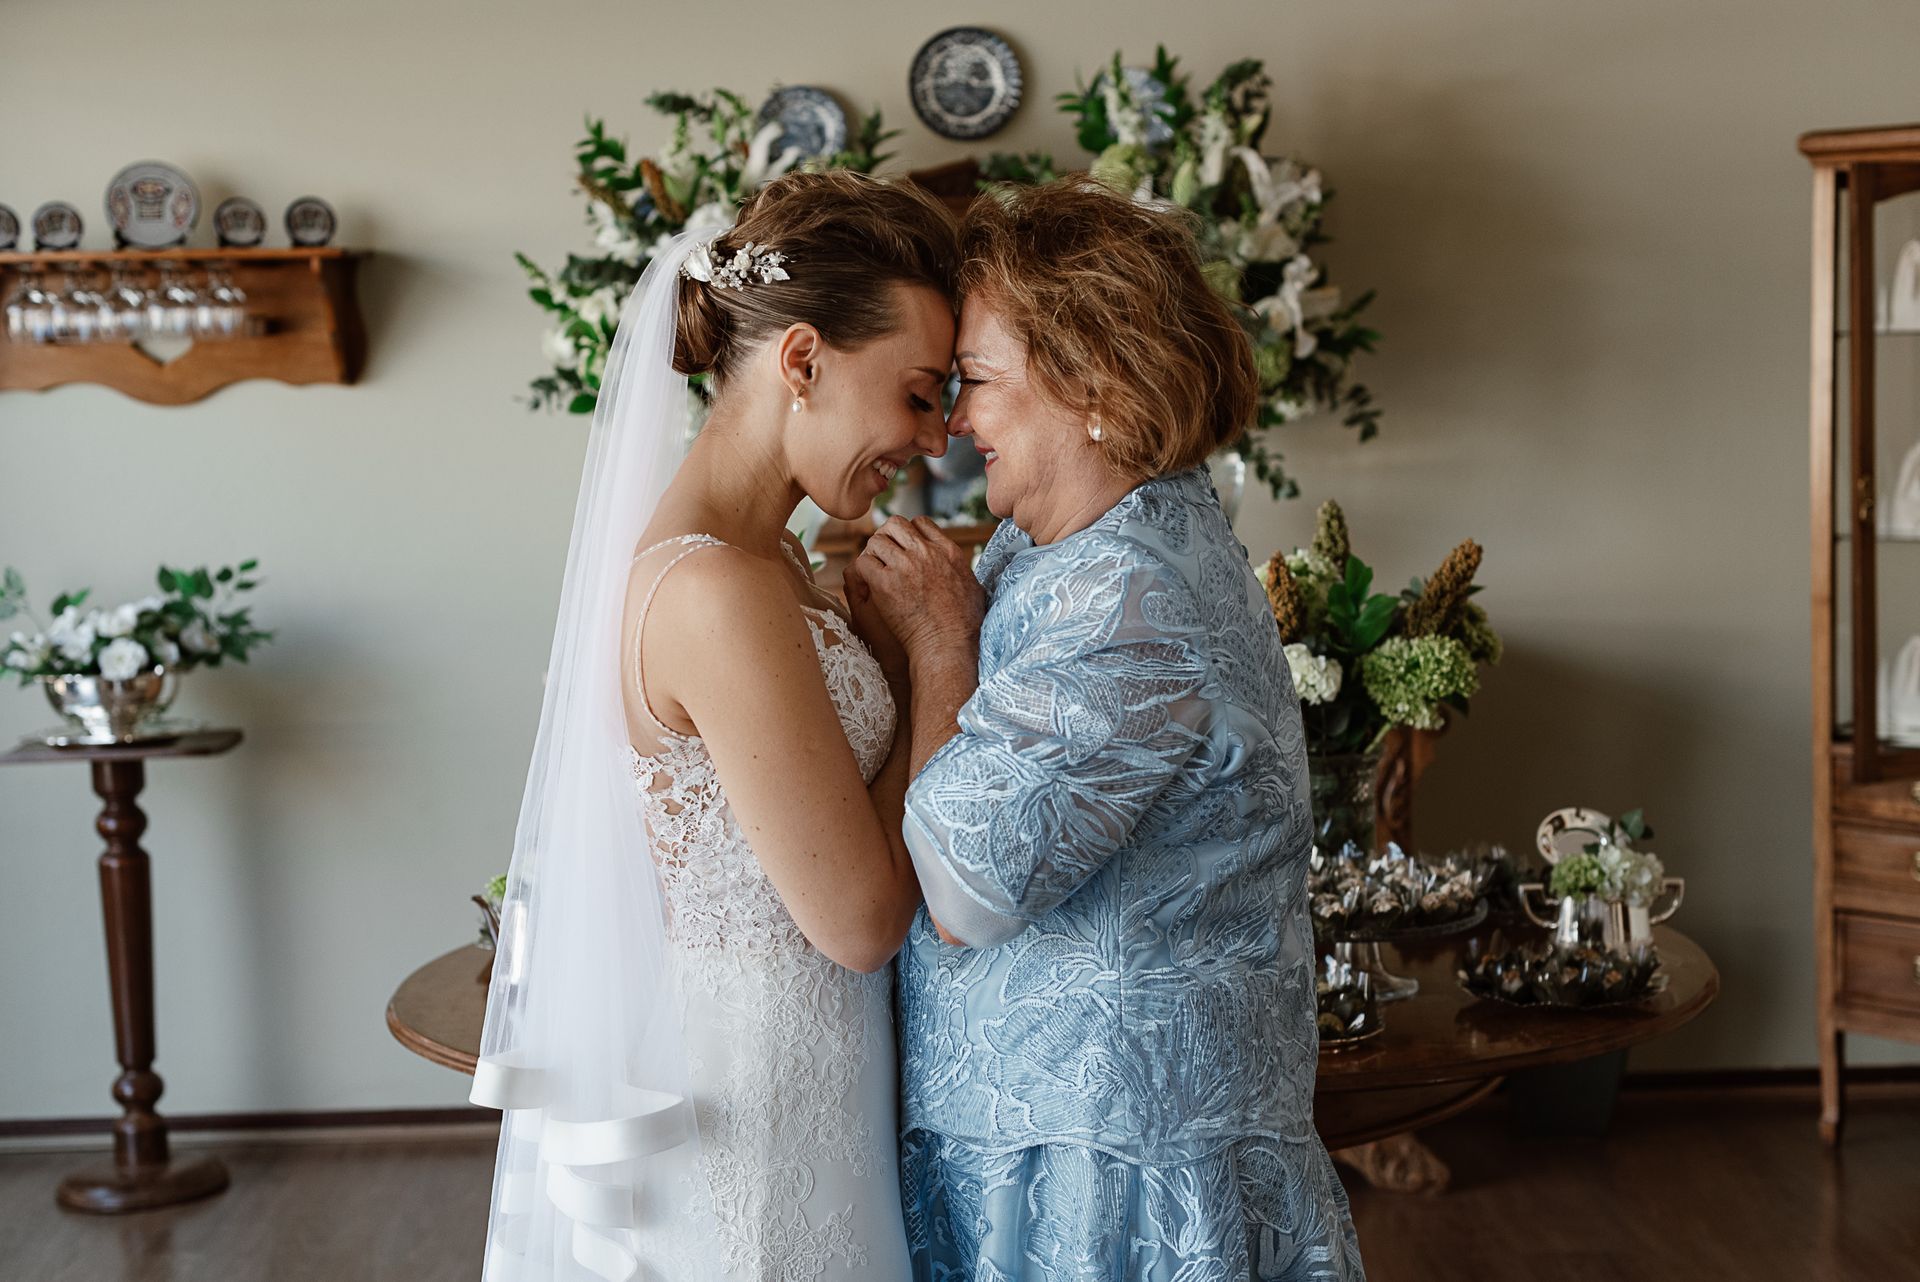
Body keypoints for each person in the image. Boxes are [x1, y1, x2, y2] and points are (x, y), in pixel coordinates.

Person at [849, 179, 1367, 1281]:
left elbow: (967, 884)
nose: (953, 425)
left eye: (977, 383)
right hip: (1046, 1136)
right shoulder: (1068, 549)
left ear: (1092, 381)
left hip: (1106, 1181)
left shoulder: (1133, 599)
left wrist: (941, 642)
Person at [471, 170, 958, 1281]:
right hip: (757, 1110)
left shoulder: (764, 560)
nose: (932, 438)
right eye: (918, 392)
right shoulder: (714, 592)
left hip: (810, 1076)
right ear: (801, 361)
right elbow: (861, 919)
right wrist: (939, 661)